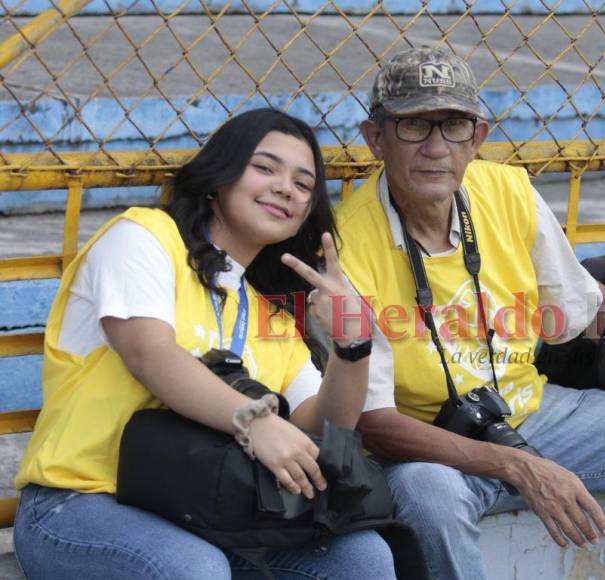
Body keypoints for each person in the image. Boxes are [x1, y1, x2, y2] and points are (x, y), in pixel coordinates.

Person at [334, 47, 605, 580]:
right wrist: (522, 466)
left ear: (477, 138)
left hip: (537, 415)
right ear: (374, 137)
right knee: (425, 494)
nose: (434, 148)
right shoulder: (345, 243)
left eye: (453, 126)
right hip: (433, 450)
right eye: (412, 126)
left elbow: (590, 310)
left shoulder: (507, 190)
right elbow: (374, 424)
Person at [12, 108, 395, 580]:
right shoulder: (144, 238)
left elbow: (324, 423)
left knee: (362, 559)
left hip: (205, 512)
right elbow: (149, 355)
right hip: (78, 504)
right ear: (220, 177)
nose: (285, 188)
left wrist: (352, 344)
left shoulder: (265, 310)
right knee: (194, 569)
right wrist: (254, 424)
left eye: (303, 183)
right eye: (265, 168)